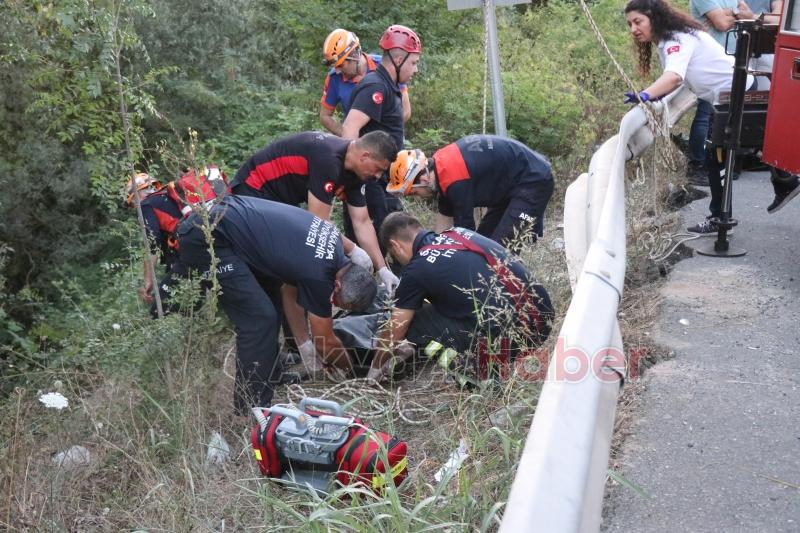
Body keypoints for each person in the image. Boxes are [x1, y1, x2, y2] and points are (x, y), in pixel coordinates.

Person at [176, 195, 377, 413]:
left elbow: (288, 293)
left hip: (228, 220)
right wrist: (351, 371)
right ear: (337, 286)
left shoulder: (334, 248)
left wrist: (303, 344)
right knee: (259, 319)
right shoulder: (319, 275)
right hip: (206, 236)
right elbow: (326, 343)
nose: (332, 303)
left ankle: (271, 374)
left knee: (271, 293)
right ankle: (251, 409)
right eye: (337, 302)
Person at [624, 0, 798, 228]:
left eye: (638, 22)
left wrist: (645, 95)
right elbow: (678, 76)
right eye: (630, 24)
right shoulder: (671, 38)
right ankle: (783, 183)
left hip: (737, 94)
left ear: (654, 17)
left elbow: (674, 76)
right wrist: (653, 95)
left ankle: (722, 219)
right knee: (727, 154)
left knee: (718, 158)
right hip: (730, 94)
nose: (634, 29)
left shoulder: (676, 39)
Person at [367, 212, 553, 383]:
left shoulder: (416, 269)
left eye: (394, 255)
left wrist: (375, 368)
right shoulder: (458, 233)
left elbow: (396, 328)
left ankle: (475, 376)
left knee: (414, 323)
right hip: (541, 319)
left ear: (396, 246)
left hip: (512, 338)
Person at [230, 130, 400, 290]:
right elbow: (318, 223)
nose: (378, 176)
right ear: (365, 156)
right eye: (378, 169)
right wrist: (353, 250)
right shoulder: (328, 158)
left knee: (292, 270)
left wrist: (382, 268)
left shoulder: (358, 173)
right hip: (253, 191)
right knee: (276, 268)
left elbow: (361, 222)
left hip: (281, 202)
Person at [386, 135, 555, 250]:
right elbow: (443, 226)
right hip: (509, 186)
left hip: (533, 180)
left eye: (414, 193)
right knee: (486, 241)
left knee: (500, 251)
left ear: (423, 179)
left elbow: (466, 237)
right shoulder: (441, 169)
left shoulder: (455, 182)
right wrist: (429, 253)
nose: (419, 199)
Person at [340, 25, 422, 244]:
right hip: (370, 181)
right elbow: (349, 128)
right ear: (398, 59)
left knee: (391, 237)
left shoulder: (389, 86)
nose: (415, 70)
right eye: (414, 63)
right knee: (378, 239)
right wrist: (352, 177)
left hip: (383, 180)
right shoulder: (375, 86)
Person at [319, 28, 411, 136]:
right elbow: (325, 116)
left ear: (354, 55)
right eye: (335, 66)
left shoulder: (387, 67)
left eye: (341, 65)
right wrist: (345, 133)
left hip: (387, 139)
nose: (338, 71)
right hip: (354, 141)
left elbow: (405, 111)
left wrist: (381, 137)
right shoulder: (334, 78)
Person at [125, 172, 188, 317]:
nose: (134, 207)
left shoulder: (146, 205)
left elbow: (152, 244)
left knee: (158, 309)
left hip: (190, 250)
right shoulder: (169, 197)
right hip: (202, 242)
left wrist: (148, 280)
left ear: (137, 194)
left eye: (132, 202)